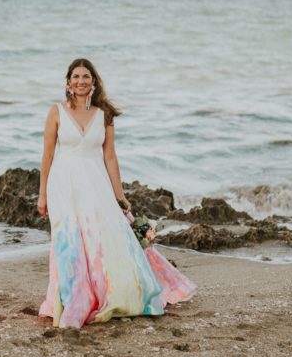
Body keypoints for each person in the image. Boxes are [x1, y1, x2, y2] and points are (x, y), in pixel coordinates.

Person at [36, 57, 195, 328]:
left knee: (104, 237)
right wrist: (42, 195)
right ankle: (72, 296)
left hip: (95, 182)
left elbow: (110, 158)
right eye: (76, 76)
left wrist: (120, 196)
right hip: (63, 184)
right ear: (68, 83)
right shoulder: (56, 112)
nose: (81, 81)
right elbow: (47, 155)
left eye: (86, 76)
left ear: (94, 82)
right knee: (70, 241)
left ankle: (107, 294)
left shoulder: (104, 115)